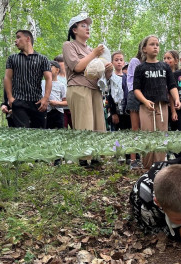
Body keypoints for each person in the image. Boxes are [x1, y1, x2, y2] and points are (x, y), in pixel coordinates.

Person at [63, 12, 113, 167]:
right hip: (79, 88)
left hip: (95, 89)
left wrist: (108, 69)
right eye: (83, 25)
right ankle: (85, 161)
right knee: (85, 124)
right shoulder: (69, 45)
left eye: (88, 26)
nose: (87, 28)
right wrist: (94, 54)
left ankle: (96, 157)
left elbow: (101, 76)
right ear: (74, 30)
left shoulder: (92, 49)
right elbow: (77, 66)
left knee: (98, 124)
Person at [133, 35, 181, 169]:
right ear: (144, 49)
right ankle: (148, 167)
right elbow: (136, 89)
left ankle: (160, 166)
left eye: (157, 44)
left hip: (162, 106)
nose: (155, 47)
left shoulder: (165, 67)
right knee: (147, 135)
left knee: (161, 135)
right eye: (152, 44)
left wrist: (176, 98)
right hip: (146, 106)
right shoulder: (140, 68)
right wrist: (145, 101)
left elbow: (172, 85)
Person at [4, 30, 52, 129]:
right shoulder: (12, 58)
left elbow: (48, 78)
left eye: (18, 37)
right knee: (22, 131)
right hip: (19, 102)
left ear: (28, 39)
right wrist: (10, 98)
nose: (15, 40)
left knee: (39, 133)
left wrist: (45, 98)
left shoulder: (43, 59)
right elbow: (7, 78)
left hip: (37, 102)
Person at [126, 41, 144, 169]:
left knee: (147, 129)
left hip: (148, 96)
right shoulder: (135, 61)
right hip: (135, 95)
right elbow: (132, 81)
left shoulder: (152, 64)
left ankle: (146, 158)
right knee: (135, 129)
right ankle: (133, 160)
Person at [107, 51, 130, 132]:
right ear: (112, 62)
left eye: (121, 60)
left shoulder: (127, 78)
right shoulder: (111, 78)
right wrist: (113, 113)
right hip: (116, 112)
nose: (119, 62)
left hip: (127, 112)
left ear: (124, 62)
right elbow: (109, 96)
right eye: (116, 60)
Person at [43, 60, 67, 129]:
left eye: (50, 67)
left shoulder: (61, 85)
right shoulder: (41, 83)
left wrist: (57, 103)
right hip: (45, 112)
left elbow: (66, 102)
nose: (47, 69)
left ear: (57, 70)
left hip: (58, 113)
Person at [54, 54, 72, 129]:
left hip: (72, 107)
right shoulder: (55, 78)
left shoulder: (71, 76)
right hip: (60, 108)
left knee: (77, 128)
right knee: (62, 128)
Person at [163, 50, 180, 132]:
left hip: (177, 107)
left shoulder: (179, 76)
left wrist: (173, 111)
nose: (166, 60)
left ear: (176, 61)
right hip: (166, 106)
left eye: (169, 58)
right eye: (164, 58)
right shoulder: (162, 75)